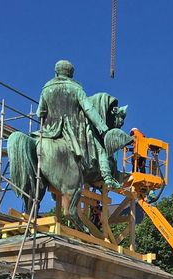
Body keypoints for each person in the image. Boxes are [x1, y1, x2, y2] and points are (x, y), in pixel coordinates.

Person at [36, 60, 121, 188]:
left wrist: (44, 130)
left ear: (56, 72)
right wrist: (103, 128)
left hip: (49, 129)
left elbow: (40, 113)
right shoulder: (76, 88)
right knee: (101, 149)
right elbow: (88, 109)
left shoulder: (46, 88)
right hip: (74, 129)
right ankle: (108, 177)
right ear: (71, 74)